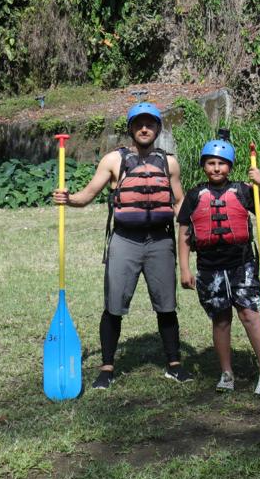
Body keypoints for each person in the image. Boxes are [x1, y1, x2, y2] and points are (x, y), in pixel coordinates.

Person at [51, 102, 188, 389]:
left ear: (158, 128)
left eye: (150, 123)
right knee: (113, 305)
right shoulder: (114, 160)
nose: (144, 128)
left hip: (160, 241)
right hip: (125, 240)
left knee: (166, 305)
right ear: (131, 129)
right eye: (139, 124)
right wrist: (69, 198)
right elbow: (88, 194)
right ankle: (107, 368)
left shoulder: (169, 163)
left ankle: (174, 365)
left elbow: (179, 203)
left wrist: (197, 221)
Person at [175, 139, 260, 393]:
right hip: (210, 267)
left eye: (221, 163)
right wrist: (184, 268)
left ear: (229, 166)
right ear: (203, 166)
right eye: (211, 163)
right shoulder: (195, 194)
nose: (216, 168)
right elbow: (185, 232)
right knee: (220, 319)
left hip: (242, 264)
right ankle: (226, 373)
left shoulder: (243, 190)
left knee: (249, 314)